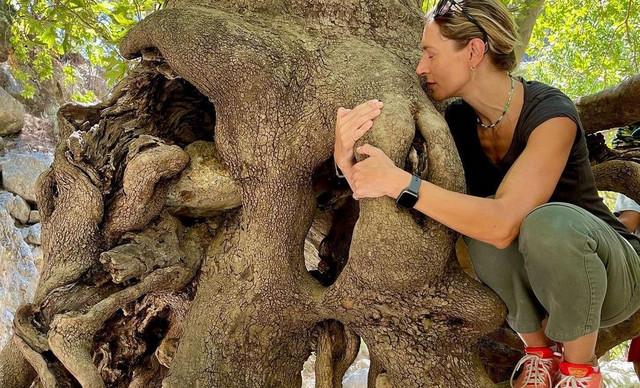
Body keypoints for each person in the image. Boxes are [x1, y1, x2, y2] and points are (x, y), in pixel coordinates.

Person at [332, 0, 640, 387]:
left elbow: (502, 222)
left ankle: (580, 371)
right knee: (471, 221)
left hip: (610, 281)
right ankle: (539, 354)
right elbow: (396, 187)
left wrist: (400, 183)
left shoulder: (551, 112)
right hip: (535, 291)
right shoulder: (456, 123)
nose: (420, 67)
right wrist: (347, 160)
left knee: (545, 221)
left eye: (430, 53)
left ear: (474, 51)